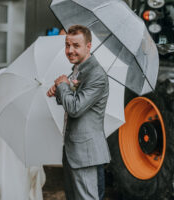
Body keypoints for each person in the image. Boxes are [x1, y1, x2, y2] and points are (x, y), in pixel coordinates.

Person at [47, 25, 111, 200]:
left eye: (76, 45)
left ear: (88, 46)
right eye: (67, 45)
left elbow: (75, 108)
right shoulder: (79, 69)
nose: (70, 50)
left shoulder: (96, 74)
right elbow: (73, 101)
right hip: (73, 150)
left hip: (86, 154)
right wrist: (59, 91)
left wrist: (62, 86)